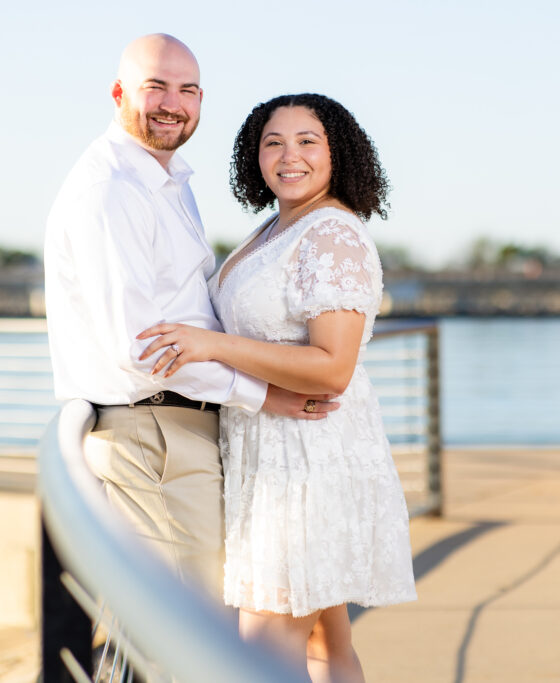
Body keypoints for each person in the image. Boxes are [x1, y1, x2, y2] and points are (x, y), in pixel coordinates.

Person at [43, 34, 336, 602]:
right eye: (155, 86)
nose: (172, 103)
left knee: (202, 621)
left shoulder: (168, 184)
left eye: (188, 89)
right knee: (196, 625)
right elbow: (143, 349)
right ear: (118, 92)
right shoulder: (113, 191)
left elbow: (187, 315)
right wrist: (262, 394)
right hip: (153, 435)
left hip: (182, 427)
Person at [137, 93, 417, 682]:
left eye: (307, 141)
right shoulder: (276, 228)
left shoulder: (332, 236)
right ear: (254, 156)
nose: (290, 155)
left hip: (310, 459)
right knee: (322, 640)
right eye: (274, 142)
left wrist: (211, 345)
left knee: (262, 647)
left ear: (337, 152)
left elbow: (332, 366)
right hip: (269, 452)